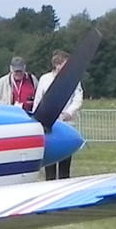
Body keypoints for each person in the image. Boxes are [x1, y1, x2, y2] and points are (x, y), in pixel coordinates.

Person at [34, 49, 84, 179]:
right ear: (57, 64)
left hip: (67, 123)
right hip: (49, 123)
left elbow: (78, 98)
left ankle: (64, 182)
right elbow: (39, 99)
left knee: (65, 159)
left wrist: (69, 112)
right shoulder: (45, 79)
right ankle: (49, 182)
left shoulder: (73, 79)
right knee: (50, 158)